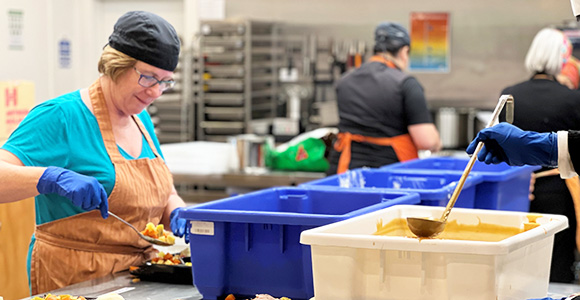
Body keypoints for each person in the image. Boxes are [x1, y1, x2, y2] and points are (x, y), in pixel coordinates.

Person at [0, 11, 189, 294]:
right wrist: (49, 178)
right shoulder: (61, 116)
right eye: (149, 78)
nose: (155, 93)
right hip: (76, 283)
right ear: (116, 65)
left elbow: (164, 192)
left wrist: (176, 210)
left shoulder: (141, 119)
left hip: (135, 282)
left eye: (165, 82)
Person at [497, 27, 580, 283]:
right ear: (562, 59)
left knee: (516, 261)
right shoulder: (572, 99)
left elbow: (501, 145)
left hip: (517, 192)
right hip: (559, 190)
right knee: (557, 261)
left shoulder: (510, 94)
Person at [326, 22, 441, 175]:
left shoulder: (344, 80)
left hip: (346, 172)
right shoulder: (406, 84)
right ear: (404, 51)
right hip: (388, 175)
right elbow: (426, 141)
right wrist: (437, 142)